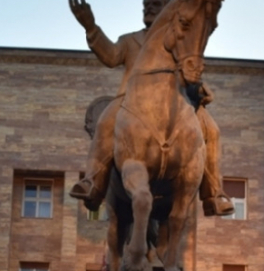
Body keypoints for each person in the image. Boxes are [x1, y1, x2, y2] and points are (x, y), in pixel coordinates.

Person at [67, 0, 234, 216]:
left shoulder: (179, 36)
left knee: (211, 129)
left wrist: (199, 86)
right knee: (106, 121)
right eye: (146, 3)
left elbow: (189, 62)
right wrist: (90, 27)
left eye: (155, 3)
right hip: (132, 99)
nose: (148, 7)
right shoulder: (130, 40)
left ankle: (214, 193)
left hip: (176, 101)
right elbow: (111, 56)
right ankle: (94, 181)